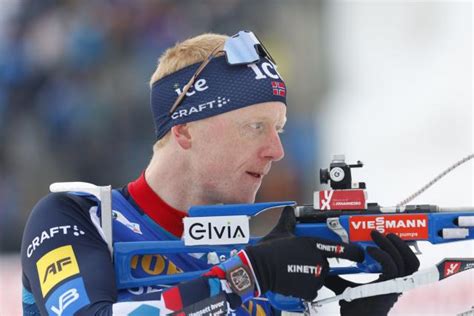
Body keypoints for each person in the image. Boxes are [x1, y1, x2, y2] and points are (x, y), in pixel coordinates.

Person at [21, 31, 419, 315]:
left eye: (277, 128)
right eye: (254, 127)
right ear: (184, 130)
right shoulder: (80, 218)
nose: (276, 150)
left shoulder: (244, 252)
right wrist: (246, 276)